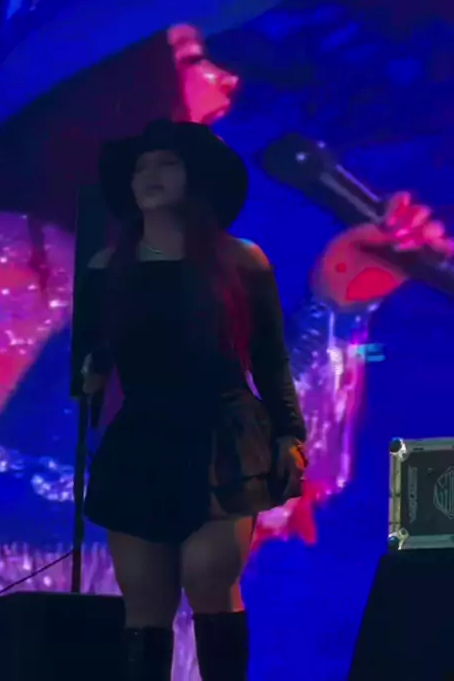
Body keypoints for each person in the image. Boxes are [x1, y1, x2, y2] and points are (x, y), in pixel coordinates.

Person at [78, 118, 308, 681]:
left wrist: (291, 434)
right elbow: (91, 352)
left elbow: (270, 359)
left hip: (222, 436)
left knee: (209, 579)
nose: (150, 176)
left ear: (195, 178)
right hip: (141, 439)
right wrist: (91, 370)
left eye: (166, 164)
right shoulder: (107, 267)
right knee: (145, 599)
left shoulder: (242, 260)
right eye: (140, 168)